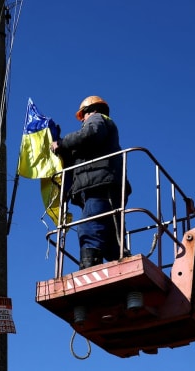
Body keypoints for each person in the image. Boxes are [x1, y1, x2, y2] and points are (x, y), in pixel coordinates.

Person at [50, 96, 131, 269]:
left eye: (83, 116)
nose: (83, 121)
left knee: (90, 228)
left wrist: (62, 143)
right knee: (111, 234)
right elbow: (82, 152)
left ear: (90, 110)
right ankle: (121, 263)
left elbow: (90, 133)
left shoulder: (97, 119)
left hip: (99, 186)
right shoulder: (102, 136)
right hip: (105, 185)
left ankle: (89, 267)